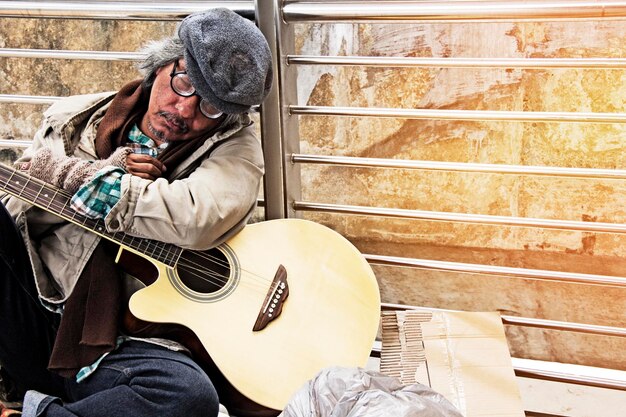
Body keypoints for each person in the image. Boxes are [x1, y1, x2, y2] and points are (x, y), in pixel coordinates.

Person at [0, 7, 273, 417]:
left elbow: (195, 217)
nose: (185, 112)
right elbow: (20, 217)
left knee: (189, 396)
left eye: (210, 109)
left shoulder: (237, 150)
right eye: (183, 82)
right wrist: (87, 172)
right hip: (40, 307)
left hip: (125, 343)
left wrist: (101, 187)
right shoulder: (76, 119)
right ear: (161, 63)